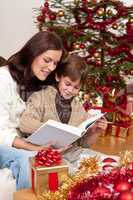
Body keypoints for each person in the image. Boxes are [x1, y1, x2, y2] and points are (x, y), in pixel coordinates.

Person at [0, 31, 64, 190]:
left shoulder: (37, 81)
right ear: (32, 54)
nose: (51, 68)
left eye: (55, 63)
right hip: (3, 141)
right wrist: (33, 148)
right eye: (47, 60)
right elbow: (2, 133)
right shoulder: (3, 79)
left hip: (20, 140)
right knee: (29, 160)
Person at [20, 54, 107, 150]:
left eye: (76, 87)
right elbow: (25, 124)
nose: (70, 90)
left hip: (67, 156)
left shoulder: (78, 107)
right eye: (67, 84)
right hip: (40, 155)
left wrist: (95, 132)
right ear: (58, 77)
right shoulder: (40, 98)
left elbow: (83, 144)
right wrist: (56, 130)